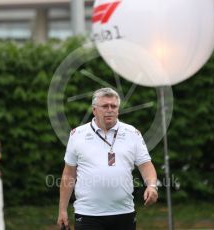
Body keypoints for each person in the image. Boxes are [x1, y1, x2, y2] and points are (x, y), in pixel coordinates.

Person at [57, 88, 158, 230]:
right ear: (94, 110)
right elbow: (68, 174)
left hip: (124, 212)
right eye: (105, 106)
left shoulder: (132, 133)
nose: (109, 110)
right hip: (87, 214)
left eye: (114, 106)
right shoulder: (77, 135)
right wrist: (62, 210)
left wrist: (152, 186)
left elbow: (146, 165)